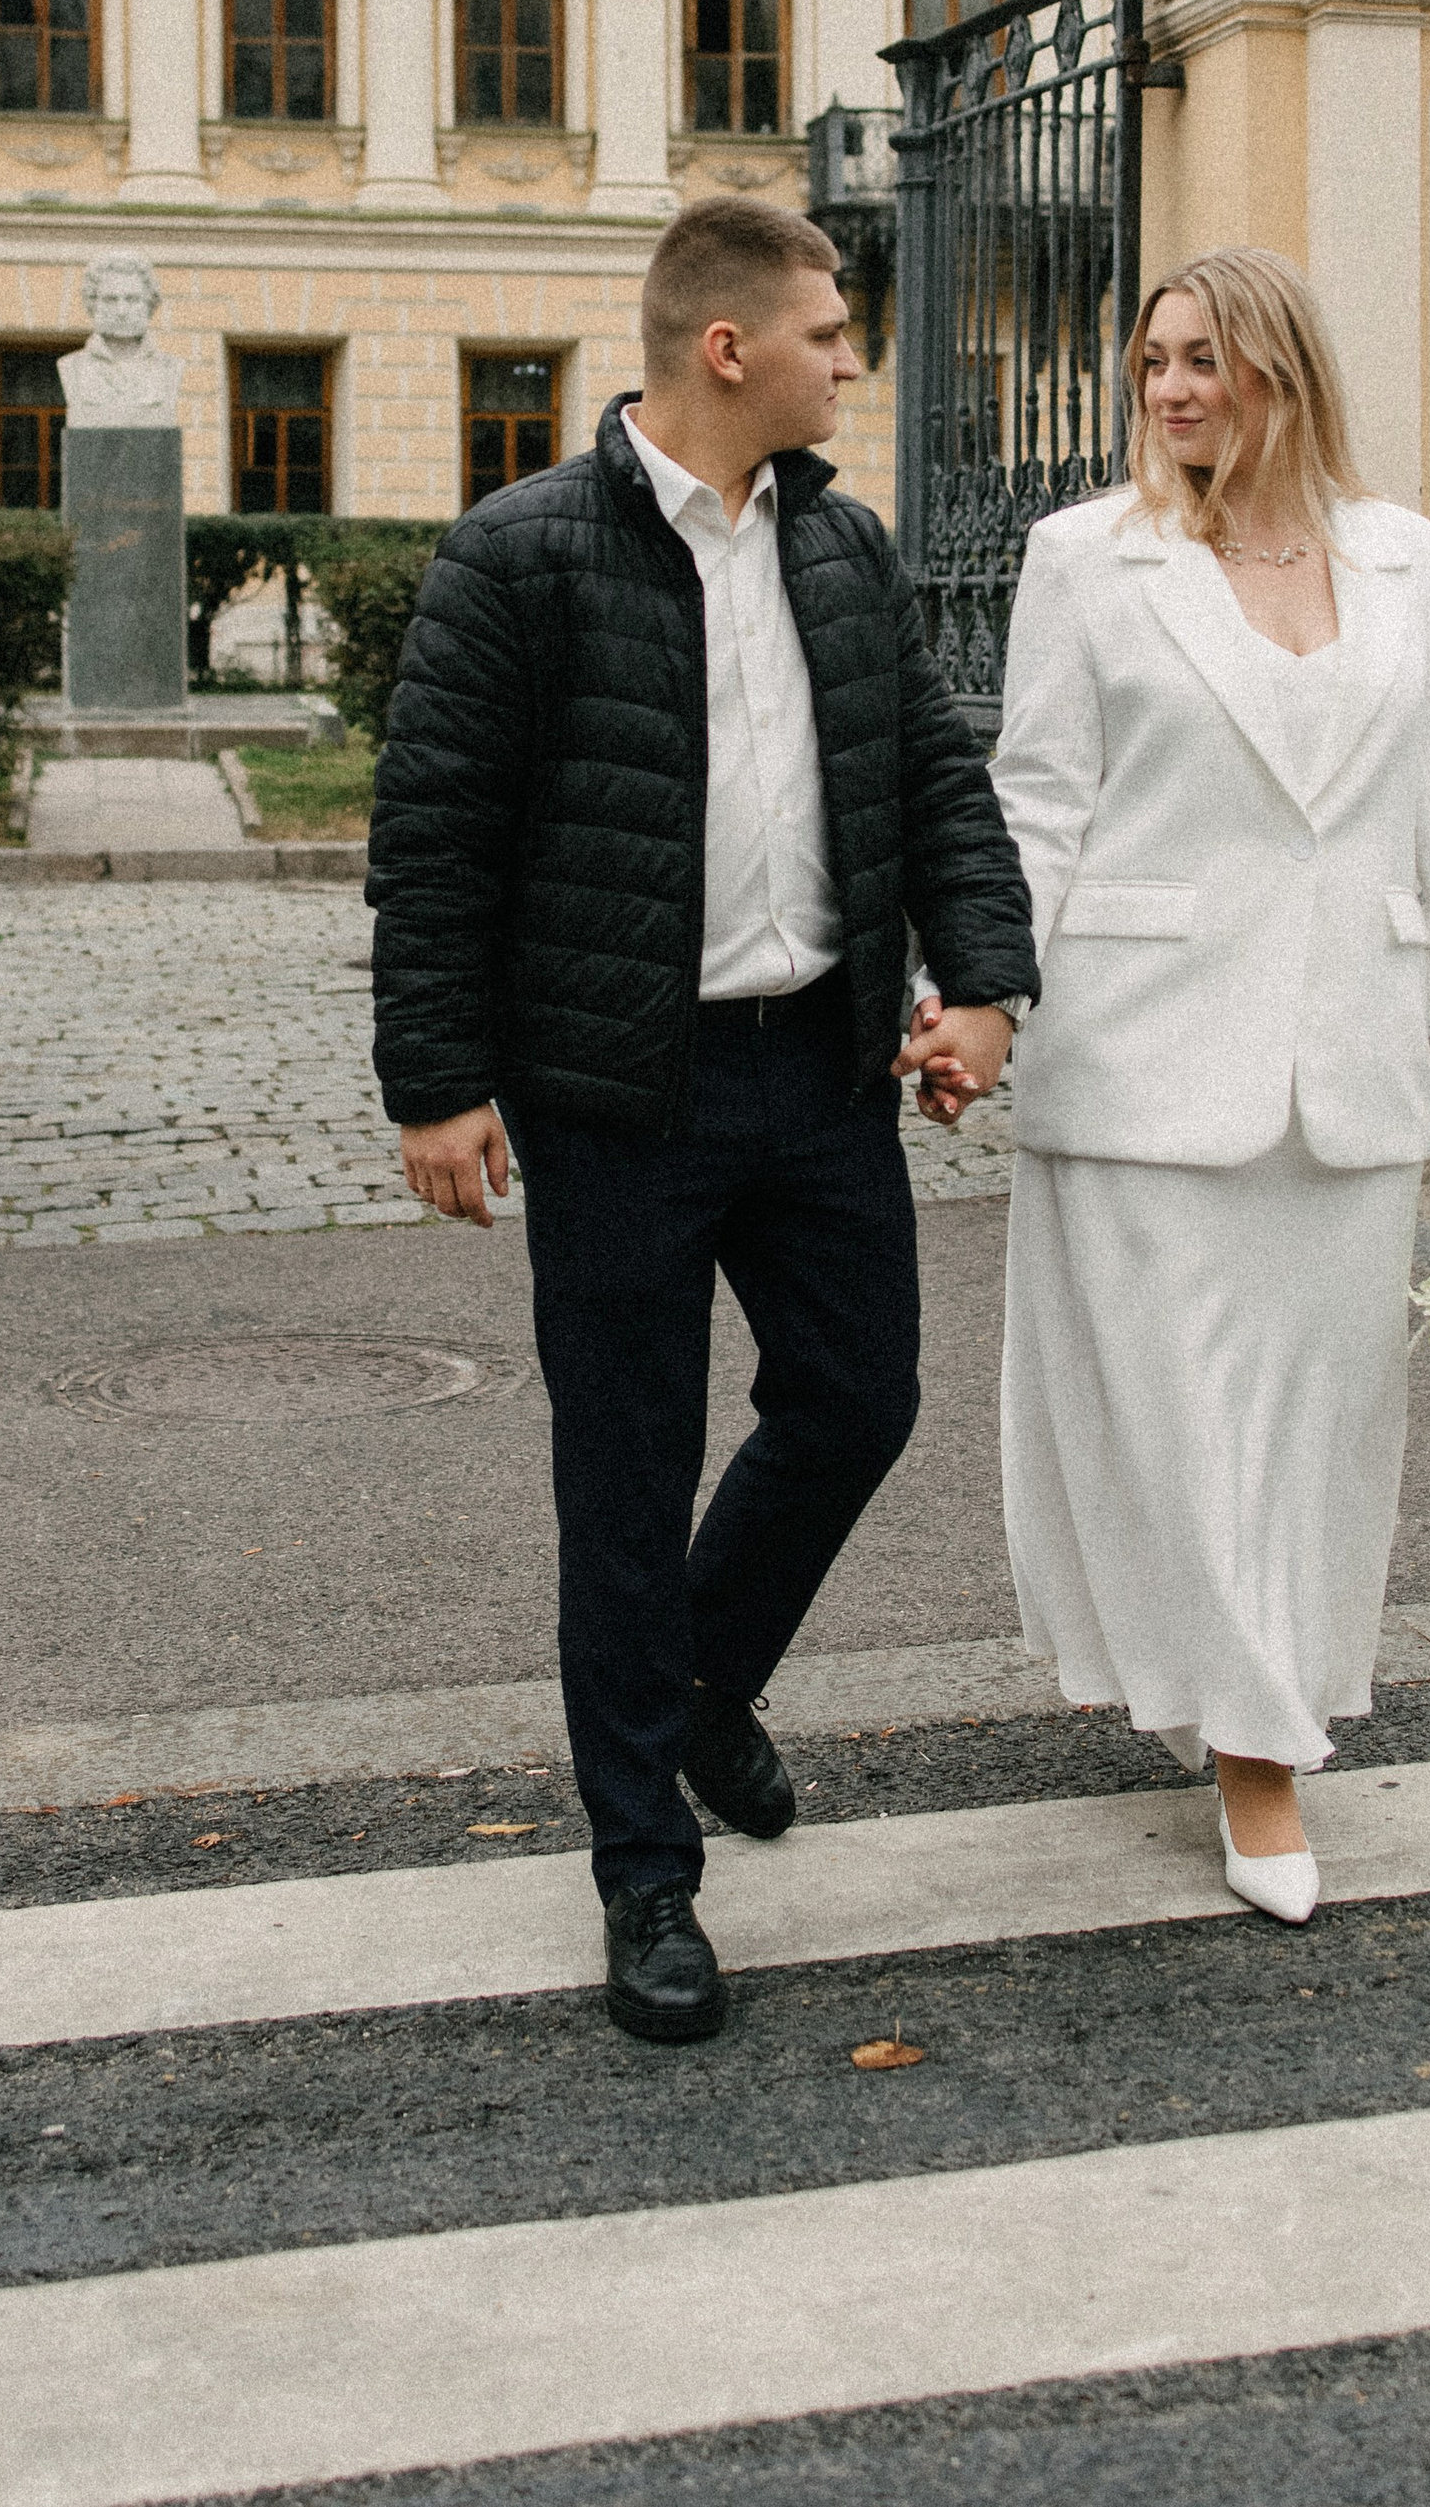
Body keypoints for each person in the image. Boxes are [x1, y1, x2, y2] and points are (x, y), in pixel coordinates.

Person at [370, 198, 1037, 2043]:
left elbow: (935, 784)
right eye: (831, 330)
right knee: (626, 1465)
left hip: (818, 1073)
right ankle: (645, 1871)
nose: (854, 357)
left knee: (859, 1394)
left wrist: (979, 983)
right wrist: (435, 1080)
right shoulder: (522, 557)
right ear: (726, 349)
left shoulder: (849, 552)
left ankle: (703, 1674)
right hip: (616, 1093)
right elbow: (432, 839)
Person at [989, 243, 1430, 1923]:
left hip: (1350, 1067)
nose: (1171, 389)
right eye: (1154, 360)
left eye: (1205, 360)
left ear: (1284, 376)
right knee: (1182, 1418)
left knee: (1314, 1428)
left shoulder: (1406, 560)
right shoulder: (1085, 560)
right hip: (1140, 1059)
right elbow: (1040, 804)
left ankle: (1246, 1684)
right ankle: (1261, 1760)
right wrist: (982, 1006)